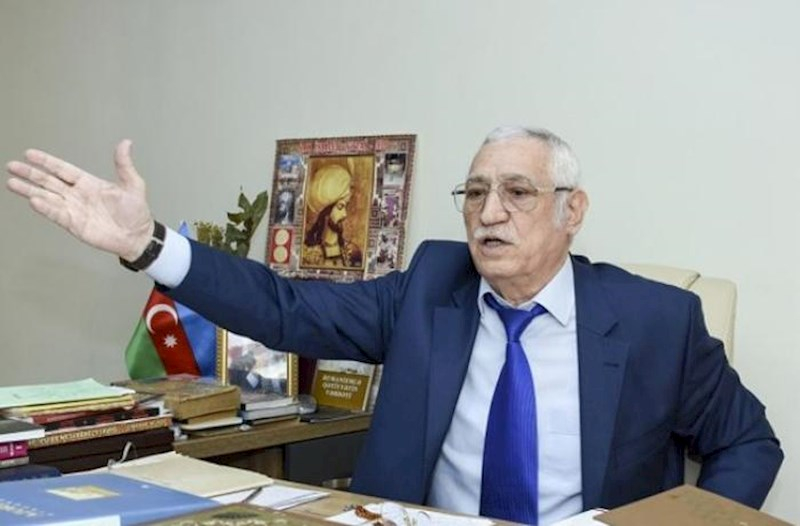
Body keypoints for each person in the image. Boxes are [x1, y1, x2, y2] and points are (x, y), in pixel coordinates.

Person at [5, 126, 782, 525]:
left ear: (571, 210)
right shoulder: (429, 290)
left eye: (517, 193)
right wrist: (148, 245)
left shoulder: (657, 320)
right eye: (474, 193)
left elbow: (749, 444)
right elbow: (286, 307)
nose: (489, 213)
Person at [302, 163, 363, 268]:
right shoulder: (310, 254)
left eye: (345, 206)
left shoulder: (350, 251)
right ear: (326, 211)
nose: (344, 214)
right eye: (340, 207)